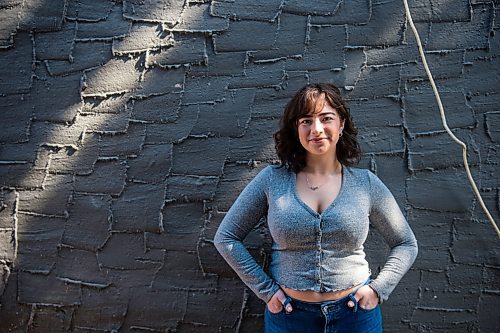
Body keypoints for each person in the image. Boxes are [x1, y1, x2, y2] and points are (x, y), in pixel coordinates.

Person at [214, 83, 418, 333]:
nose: (316, 129)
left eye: (326, 118)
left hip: (356, 316)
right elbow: (226, 237)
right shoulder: (272, 180)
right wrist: (266, 291)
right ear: (296, 129)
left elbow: (406, 243)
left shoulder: (365, 183)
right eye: (306, 121)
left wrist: (377, 289)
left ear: (341, 124)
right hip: (289, 318)